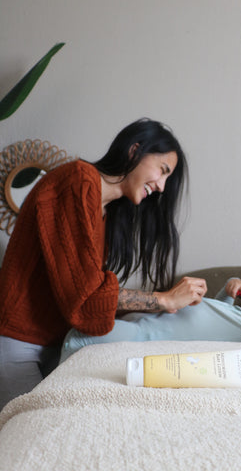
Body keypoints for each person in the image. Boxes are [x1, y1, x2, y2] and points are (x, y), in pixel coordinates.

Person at [0, 118, 207, 410]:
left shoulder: (105, 213)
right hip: (17, 343)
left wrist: (166, 302)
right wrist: (161, 299)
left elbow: (91, 295)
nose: (161, 186)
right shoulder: (77, 180)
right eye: (162, 171)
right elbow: (84, 301)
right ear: (135, 150)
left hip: (52, 345)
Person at [60, 277, 241, 361]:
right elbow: (213, 315)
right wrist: (229, 290)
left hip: (145, 334)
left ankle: (50, 368)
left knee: (81, 335)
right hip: (151, 315)